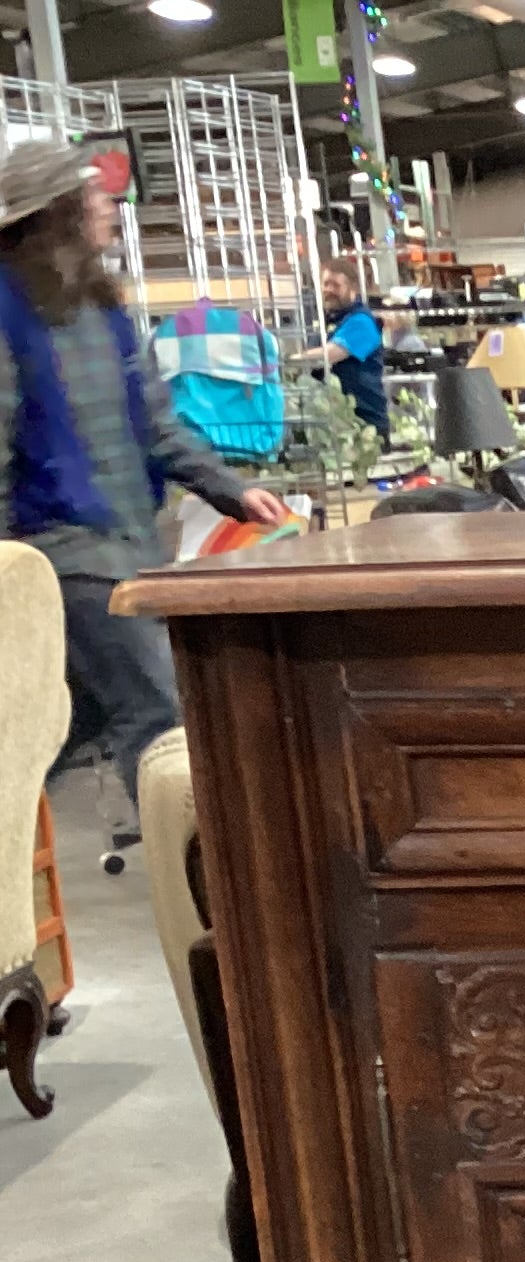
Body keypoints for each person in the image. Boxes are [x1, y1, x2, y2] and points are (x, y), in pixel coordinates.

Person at [0, 141, 285, 812]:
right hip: (62, 551)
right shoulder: (5, 317)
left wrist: (232, 489)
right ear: (57, 218)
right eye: (93, 199)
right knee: (158, 714)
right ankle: (191, 878)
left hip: (132, 544)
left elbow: (156, 424)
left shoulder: (102, 311)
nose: (109, 210)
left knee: (76, 723)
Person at [294, 259, 390, 442]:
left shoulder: (361, 322)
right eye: (325, 284)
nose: (328, 290)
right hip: (335, 427)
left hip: (365, 429)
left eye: (336, 285)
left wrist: (287, 361)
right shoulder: (329, 322)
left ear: (353, 287)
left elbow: (328, 355)